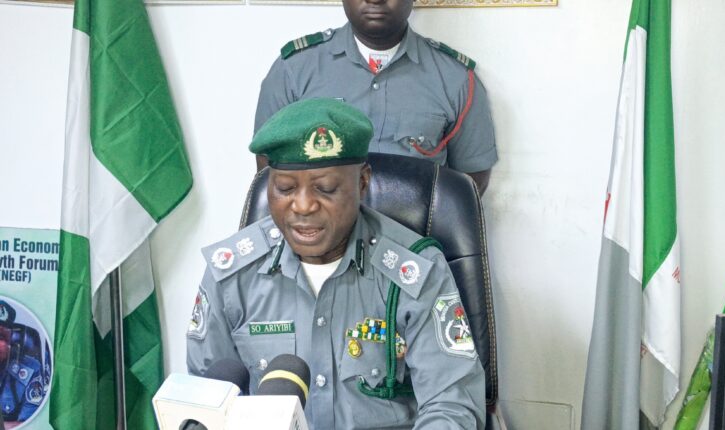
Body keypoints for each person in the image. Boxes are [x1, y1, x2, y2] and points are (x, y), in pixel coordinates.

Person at [187, 98, 485, 429]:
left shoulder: (415, 271)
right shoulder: (231, 275)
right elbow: (207, 402)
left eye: (325, 188)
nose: (303, 206)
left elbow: (451, 404)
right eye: (285, 188)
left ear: (362, 182)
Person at [253, 0, 497, 196]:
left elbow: (471, 180)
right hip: (320, 236)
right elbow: (269, 168)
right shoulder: (294, 70)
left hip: (414, 238)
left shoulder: (455, 79)